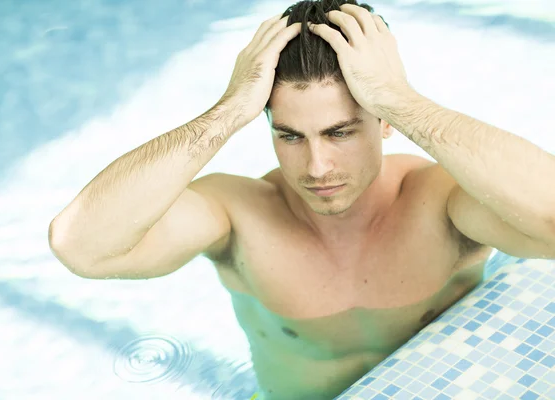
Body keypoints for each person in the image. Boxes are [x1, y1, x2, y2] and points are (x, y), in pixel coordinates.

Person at [47, 0, 555, 398]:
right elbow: (81, 246)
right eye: (290, 136)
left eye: (339, 133)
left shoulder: (438, 203)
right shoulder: (239, 216)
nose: (316, 168)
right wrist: (228, 110)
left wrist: (403, 100)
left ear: (384, 122)